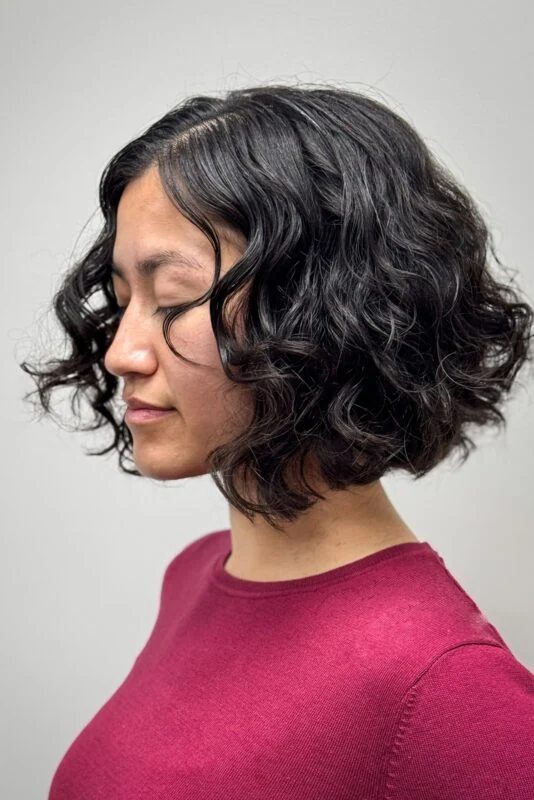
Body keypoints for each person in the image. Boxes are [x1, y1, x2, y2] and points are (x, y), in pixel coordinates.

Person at [21, 83, 534, 799]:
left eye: (170, 300)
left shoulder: (447, 685)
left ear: (326, 315)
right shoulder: (198, 575)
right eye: (122, 299)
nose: (121, 353)